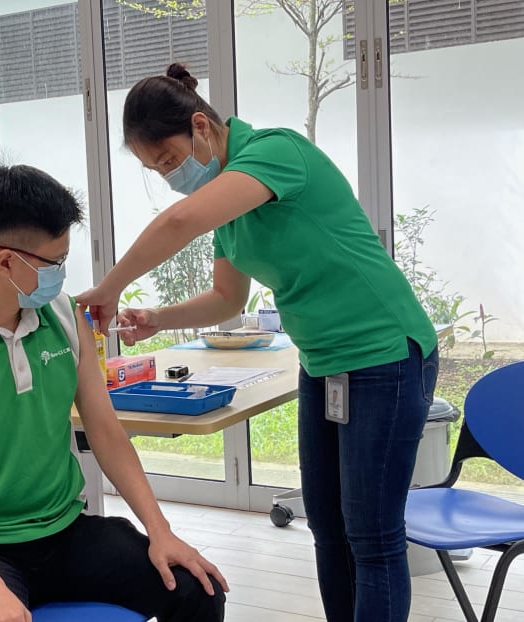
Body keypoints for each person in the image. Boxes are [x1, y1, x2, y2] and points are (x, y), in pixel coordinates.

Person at [77, 64, 439, 622]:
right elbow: (227, 298)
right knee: (326, 525)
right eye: (156, 169)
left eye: (169, 161)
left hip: (384, 353)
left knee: (372, 535)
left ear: (202, 126)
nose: (170, 176)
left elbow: (180, 224)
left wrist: (109, 287)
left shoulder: (275, 152)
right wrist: (156, 316)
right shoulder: (230, 204)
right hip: (322, 364)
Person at [0, 160, 227, 622]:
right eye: (55, 262)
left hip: (66, 532)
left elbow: (105, 430)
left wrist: (160, 529)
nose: (62, 275)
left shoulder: (65, 317)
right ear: (5, 260)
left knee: (197, 588)